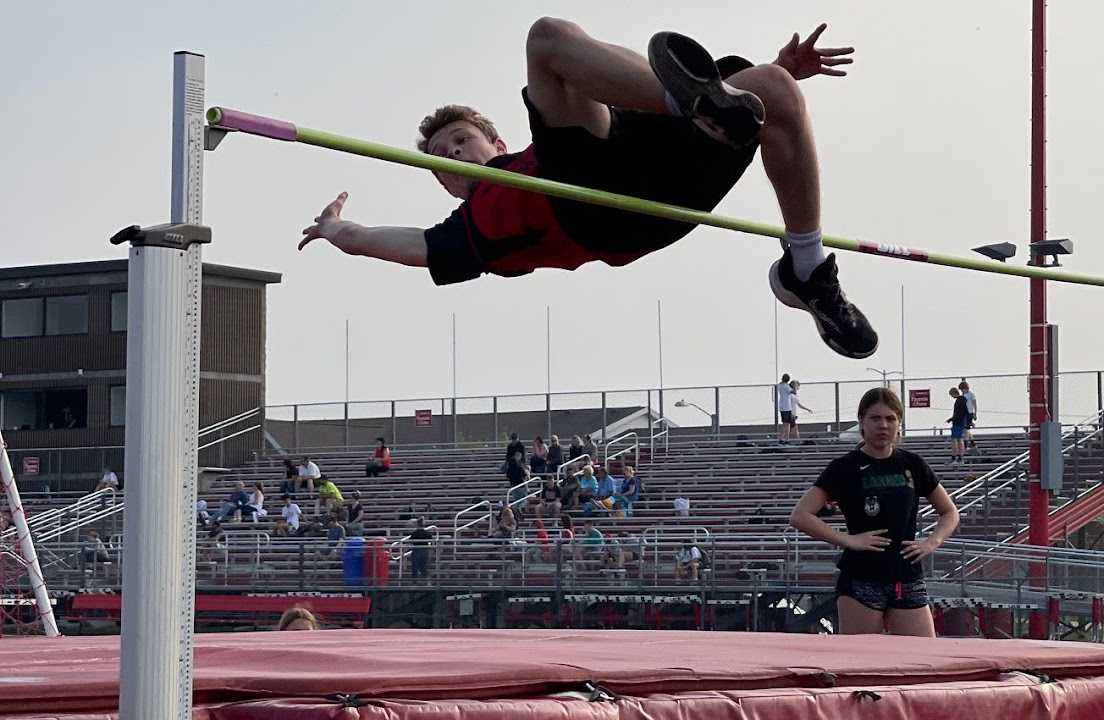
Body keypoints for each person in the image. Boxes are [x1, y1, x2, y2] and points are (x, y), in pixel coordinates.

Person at [299, 20, 876, 361]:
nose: (452, 154)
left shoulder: (531, 152)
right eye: (442, 161)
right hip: (596, 212)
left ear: (495, 142)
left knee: (774, 87)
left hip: (641, 163)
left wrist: (772, 74)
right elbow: (403, 243)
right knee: (546, 42)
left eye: (460, 139)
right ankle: (694, 101)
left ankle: (806, 268)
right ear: (449, 189)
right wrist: (339, 233)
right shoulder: (468, 225)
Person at [789, 386, 959, 637]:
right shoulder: (845, 467)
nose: (883, 425)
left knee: (923, 659)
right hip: (862, 579)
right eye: (875, 418)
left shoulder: (912, 464)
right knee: (860, 661)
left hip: (907, 577)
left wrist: (932, 542)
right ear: (862, 422)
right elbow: (800, 515)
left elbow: (949, 512)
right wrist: (849, 540)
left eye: (890, 418)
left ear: (899, 423)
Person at [946, 387, 970, 466]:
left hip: (958, 423)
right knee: (958, 439)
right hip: (958, 422)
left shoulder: (960, 400)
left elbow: (961, 413)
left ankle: (957, 457)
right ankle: (959, 457)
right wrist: (951, 419)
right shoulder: (961, 400)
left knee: (955, 440)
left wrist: (955, 419)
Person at [959, 379, 980, 457]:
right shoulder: (963, 395)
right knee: (966, 429)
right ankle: (973, 443)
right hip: (965, 413)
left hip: (969, 413)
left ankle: (965, 445)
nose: (962, 391)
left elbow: (974, 404)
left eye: (962, 389)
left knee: (966, 429)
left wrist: (975, 414)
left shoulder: (971, 395)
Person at [777, 373, 798, 444]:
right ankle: (786, 439)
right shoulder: (786, 386)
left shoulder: (779, 385)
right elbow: (794, 392)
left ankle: (782, 438)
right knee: (788, 424)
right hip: (787, 407)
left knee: (784, 424)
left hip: (781, 406)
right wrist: (794, 385)